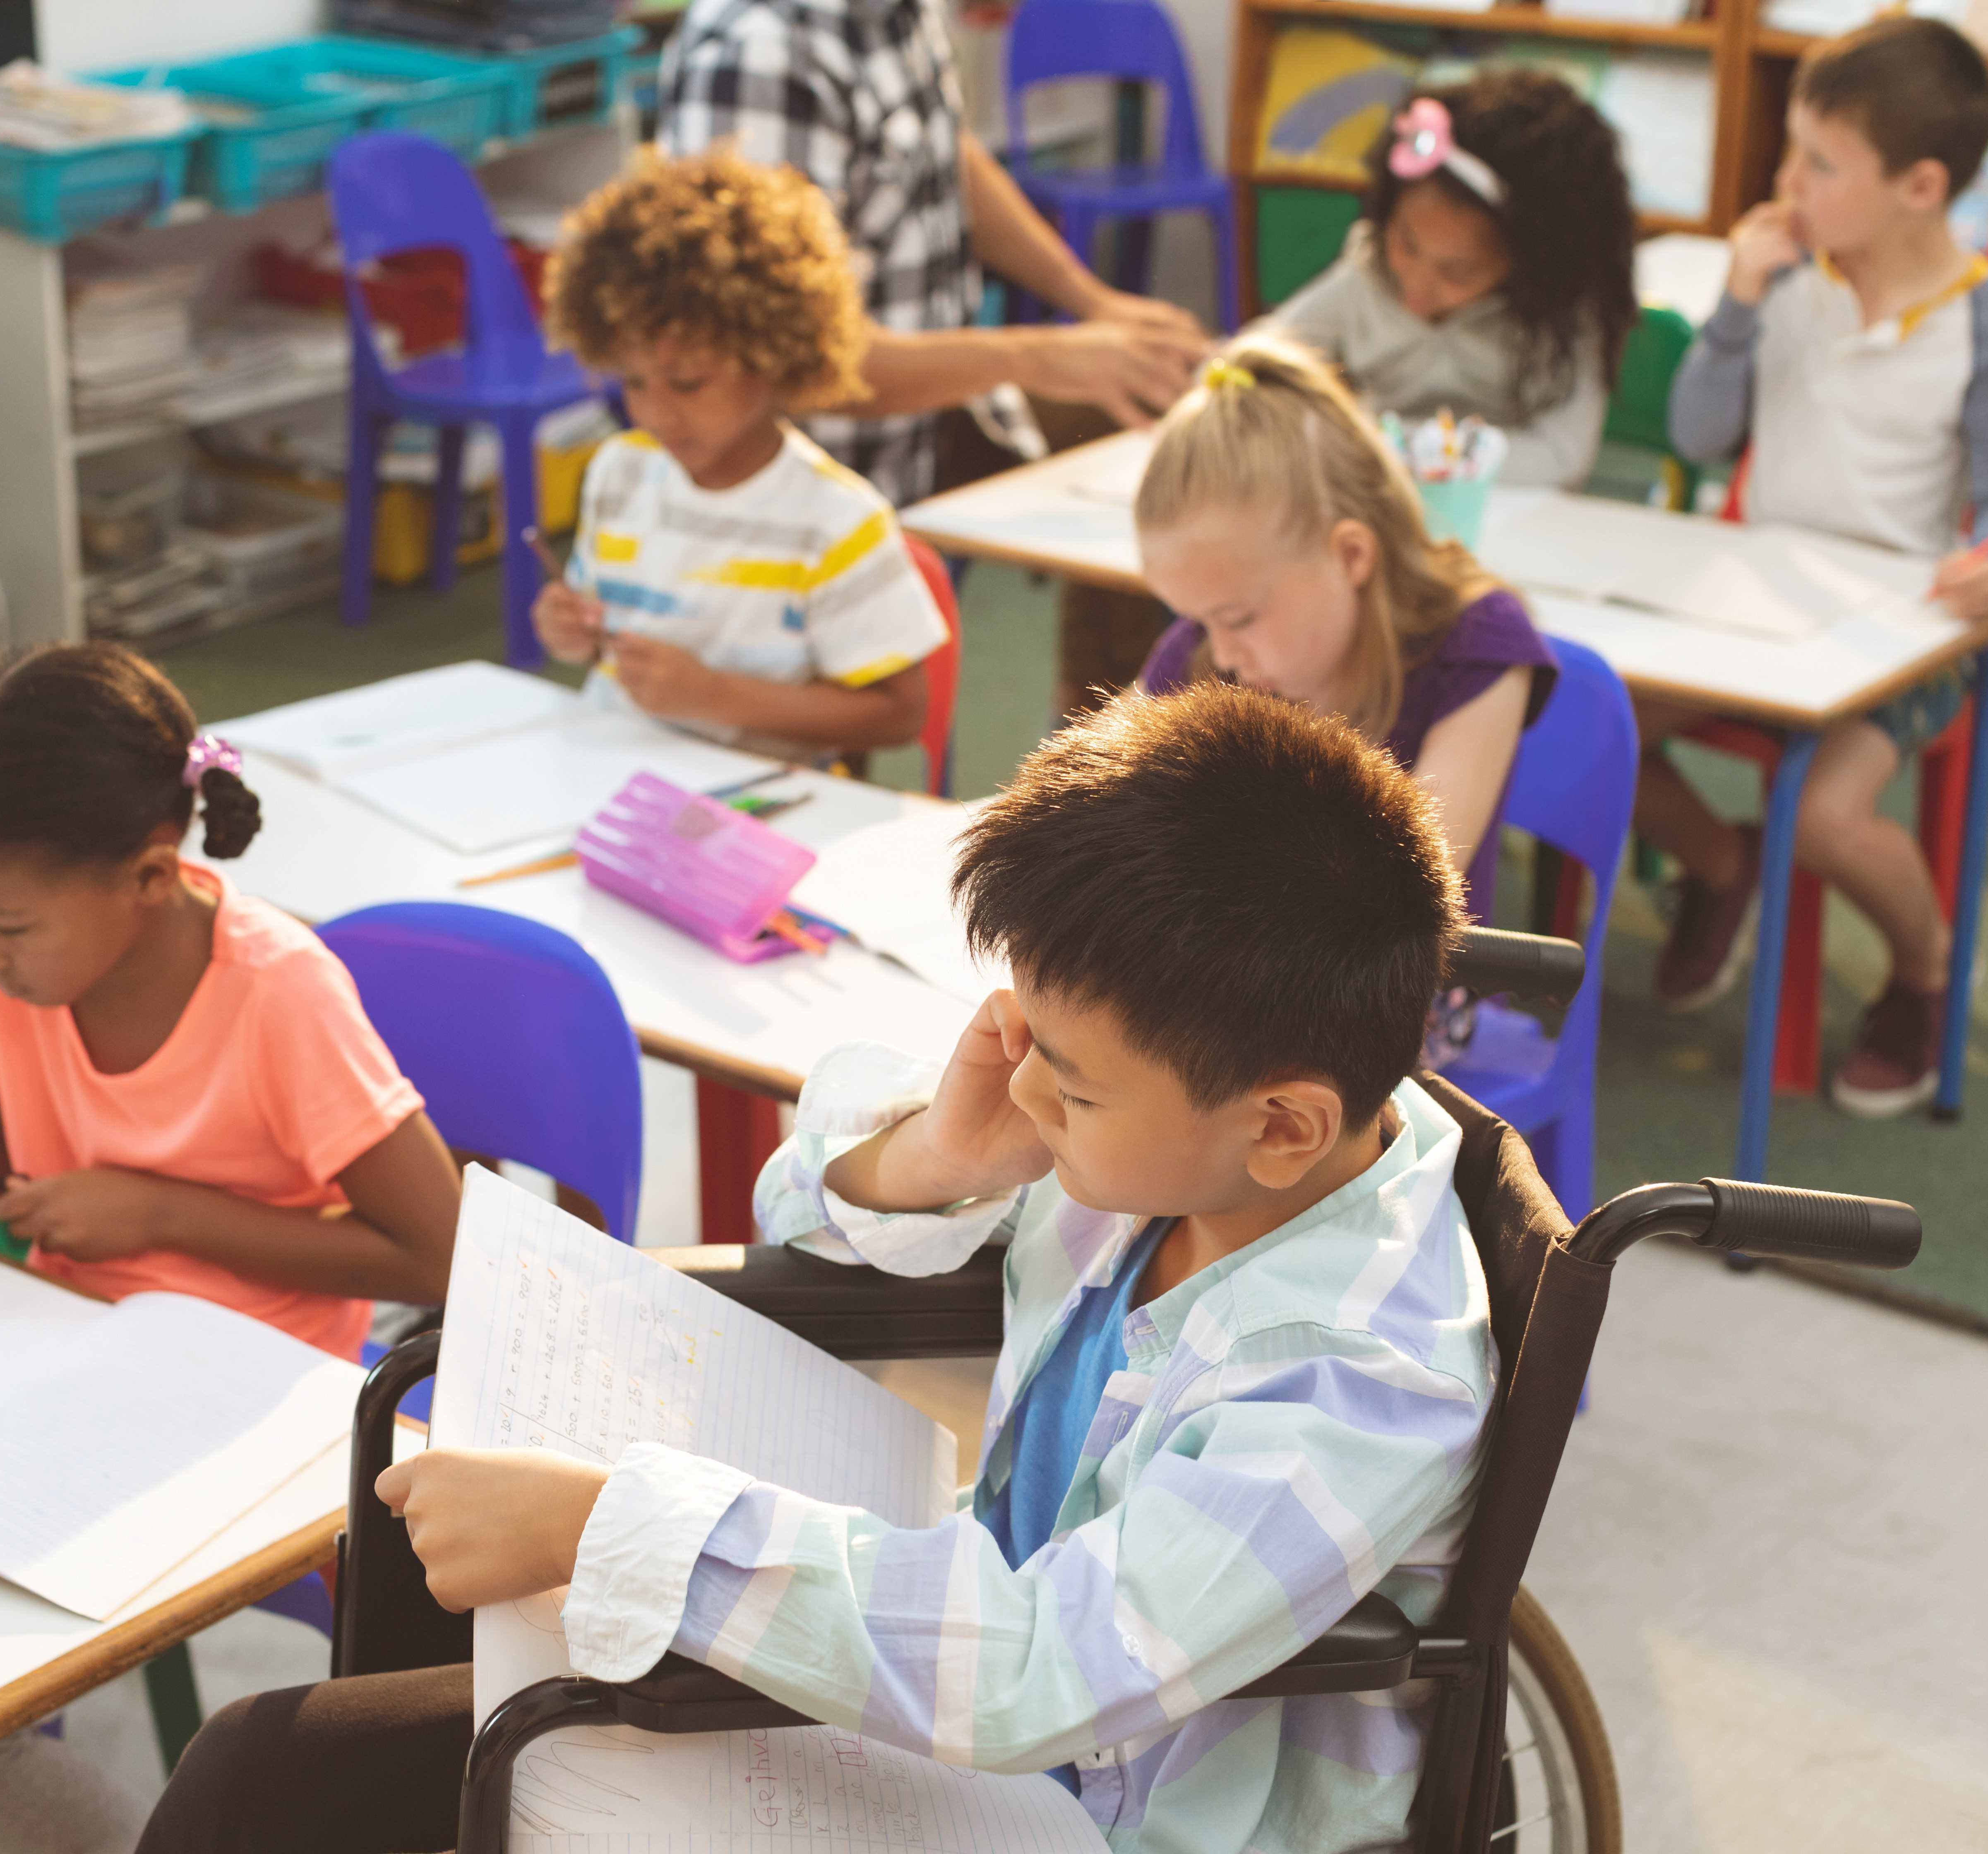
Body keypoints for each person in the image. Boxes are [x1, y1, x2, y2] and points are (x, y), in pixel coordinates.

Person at [132, 682, 1496, 1854]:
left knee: (314, 1772)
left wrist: (608, 1527)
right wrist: (935, 1160)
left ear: (1283, 1127)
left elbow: (1047, 1673)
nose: (1025, 1083)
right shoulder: (1196, 1142)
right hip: (964, 1679)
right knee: (317, 1733)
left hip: (1097, 1797)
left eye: (1069, 1088)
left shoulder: (1360, 1374)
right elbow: (807, 1213)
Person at [0, 643, 464, 1854]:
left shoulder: (278, 994)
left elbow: (443, 1255)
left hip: (253, 1397)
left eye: (2, 924)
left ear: (151, 873)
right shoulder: (9, 951)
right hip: (71, 1355)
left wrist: (158, 1212)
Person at [1646, 16, 1988, 1117]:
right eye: (1792, 150)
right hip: (1752, 600)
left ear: (1921, 185)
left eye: (1820, 164)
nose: (1787, 182)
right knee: (1582, 717)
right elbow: (1695, 436)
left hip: (1898, 633)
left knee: (1825, 816)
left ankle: (1926, 972)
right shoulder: (1784, 283)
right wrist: (1732, 308)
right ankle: (1723, 873)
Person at [655, 0, 1214, 516]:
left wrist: (1094, 302)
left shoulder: (899, 12)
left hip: (930, 430)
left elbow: (941, 151)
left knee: (1177, 415)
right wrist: (1037, 356)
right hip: (815, 509)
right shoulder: (762, 56)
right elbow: (789, 361)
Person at [533, 147, 950, 760]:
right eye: (633, 381)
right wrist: (572, 634)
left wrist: (716, 696)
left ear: (773, 356)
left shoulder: (836, 522)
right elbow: (612, 640)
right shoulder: (618, 474)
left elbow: (898, 715)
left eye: (688, 383)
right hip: (618, 766)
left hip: (758, 807)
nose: (654, 414)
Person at [1134, 333, 1555, 914]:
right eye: (1198, 620)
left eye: (1239, 618)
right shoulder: (1203, 648)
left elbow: (1403, 901)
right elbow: (1095, 813)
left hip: (1395, 995)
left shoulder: (1477, 647)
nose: (1224, 654)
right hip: (1220, 983)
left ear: (1352, 557)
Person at [1270, 67, 1640, 490]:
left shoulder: (1565, 317)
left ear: (1529, 265)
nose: (1416, 289)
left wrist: (1372, 444)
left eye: (1457, 273)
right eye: (1406, 244)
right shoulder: (1370, 270)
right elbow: (1265, 354)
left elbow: (1561, 458)